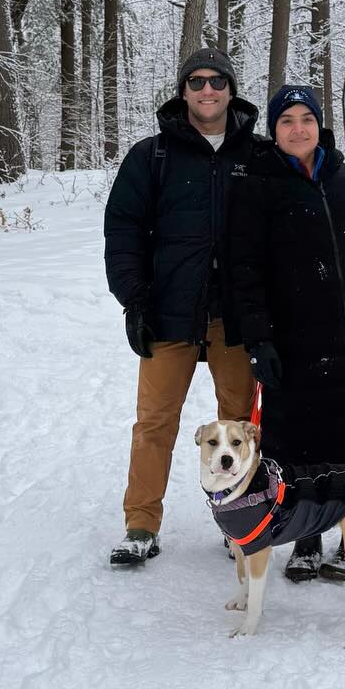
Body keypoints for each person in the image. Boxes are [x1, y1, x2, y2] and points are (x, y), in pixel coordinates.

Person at [226, 83, 345, 583]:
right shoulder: (257, 185)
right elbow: (245, 270)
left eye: (306, 118)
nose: (298, 128)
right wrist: (259, 340)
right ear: (274, 130)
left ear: (319, 124)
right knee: (300, 438)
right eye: (287, 121)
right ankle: (306, 537)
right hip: (295, 334)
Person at [102, 47, 258, 567]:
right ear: (183, 91)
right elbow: (123, 231)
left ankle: (240, 521)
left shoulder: (257, 155)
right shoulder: (152, 156)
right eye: (196, 82)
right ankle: (141, 524)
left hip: (235, 318)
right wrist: (134, 301)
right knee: (154, 422)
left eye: (217, 81)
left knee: (240, 422)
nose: (207, 90)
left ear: (231, 90)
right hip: (169, 311)